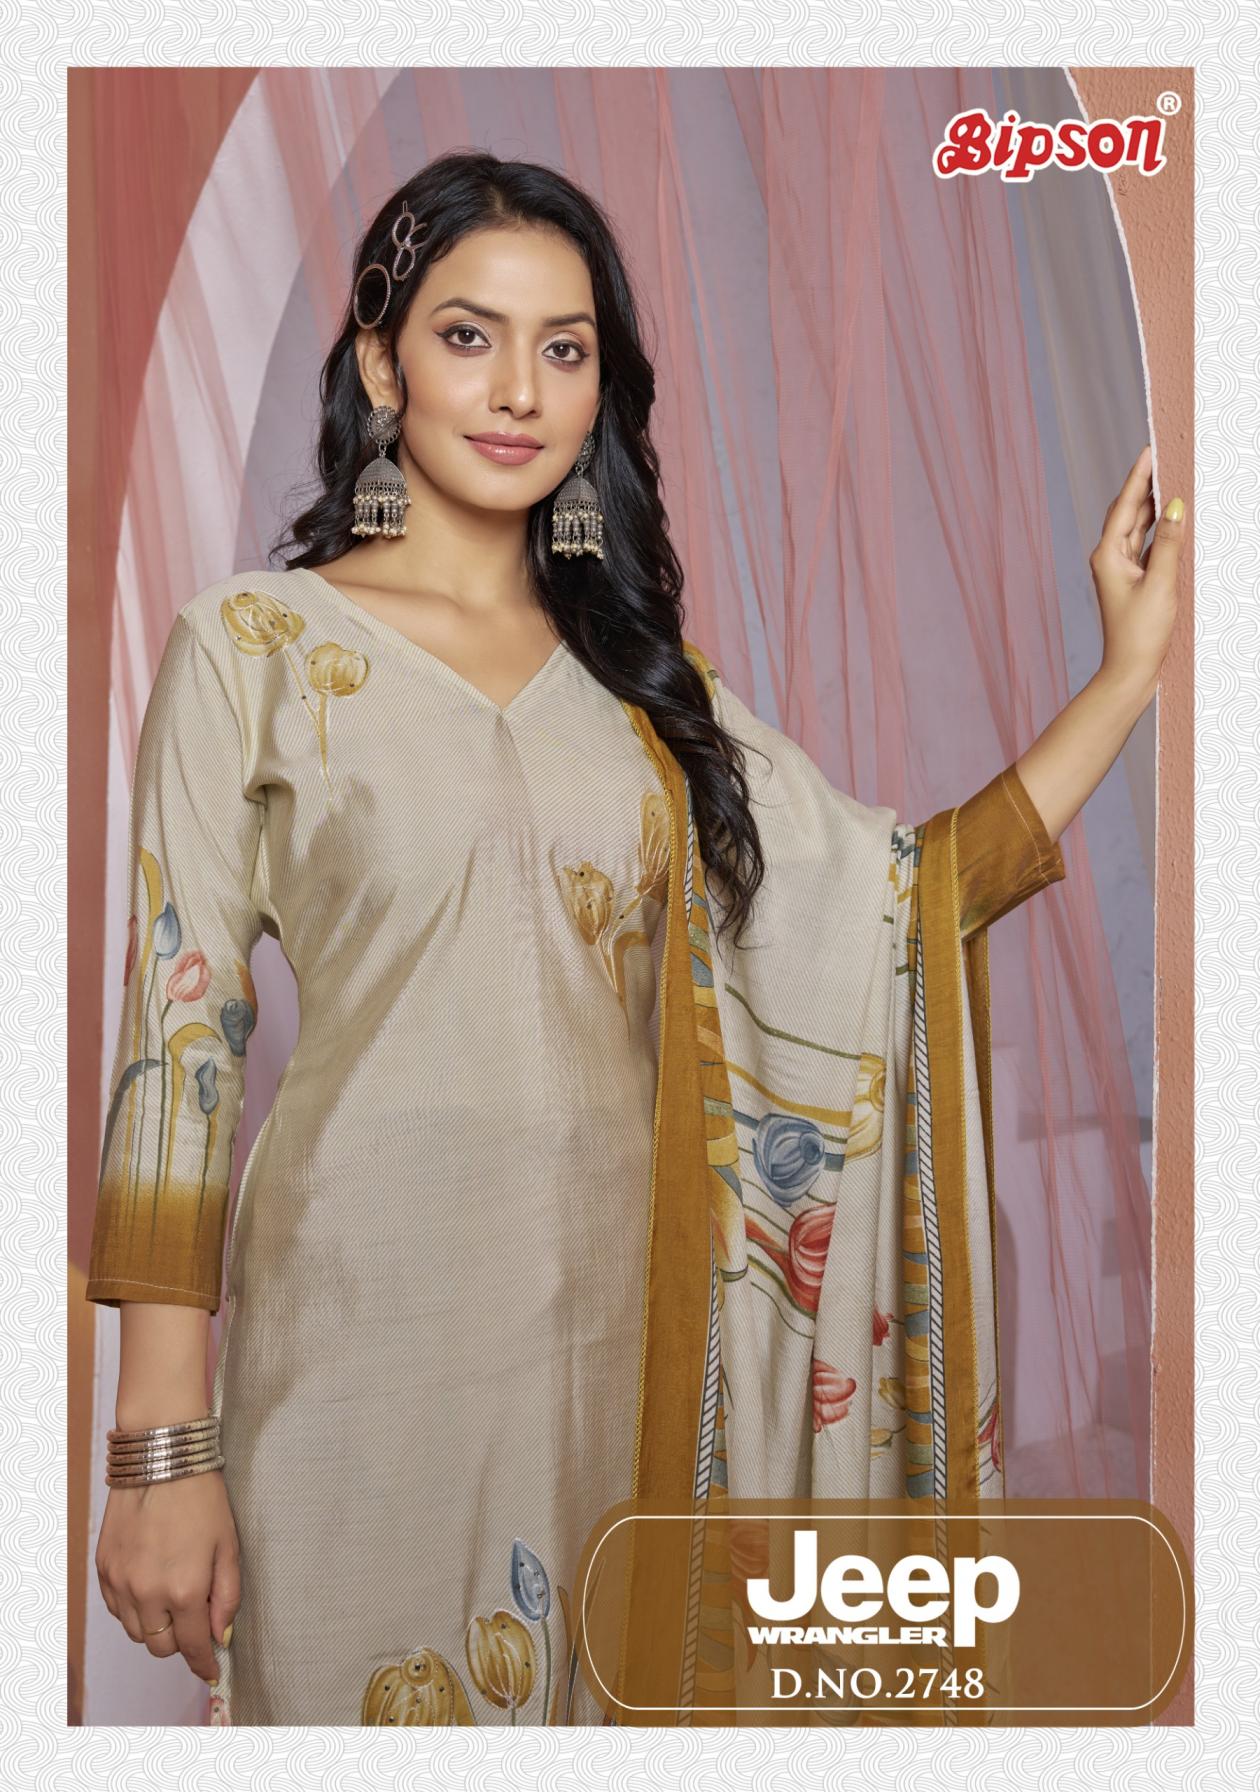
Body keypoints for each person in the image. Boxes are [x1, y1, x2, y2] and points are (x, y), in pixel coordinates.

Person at [86, 151, 1184, 1727]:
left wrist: (1127, 674)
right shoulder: (251, 648)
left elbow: (900, 902)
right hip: (355, 1330)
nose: (518, 390)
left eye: (565, 347)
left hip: (629, 1342)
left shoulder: (648, 692)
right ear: (384, 364)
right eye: (468, 336)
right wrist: (159, 1450)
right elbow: (178, 1046)